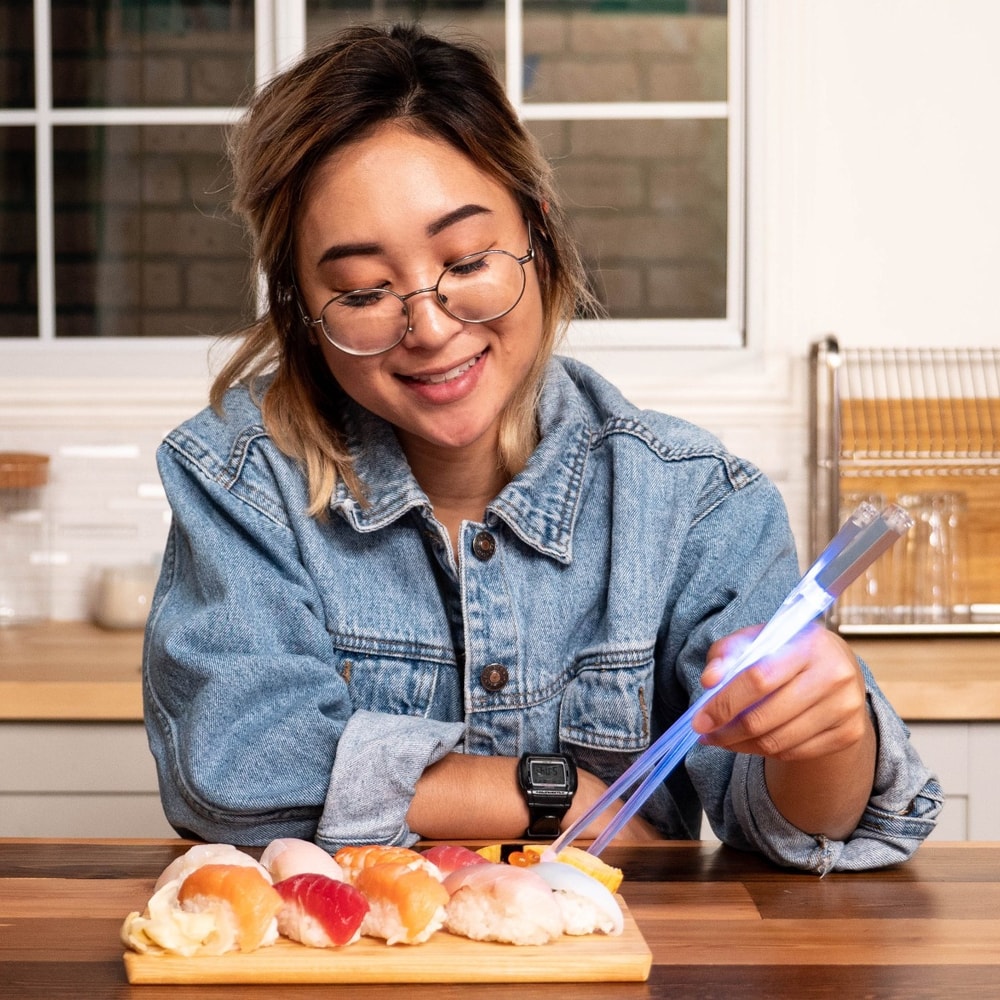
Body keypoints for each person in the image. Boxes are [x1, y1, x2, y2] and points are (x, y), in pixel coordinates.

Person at [143, 22, 941, 874]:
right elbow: (233, 773)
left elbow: (797, 831)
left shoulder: (696, 499)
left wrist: (824, 735)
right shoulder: (241, 475)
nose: (431, 326)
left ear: (540, 230)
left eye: (470, 257)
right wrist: (557, 794)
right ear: (302, 303)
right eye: (364, 289)